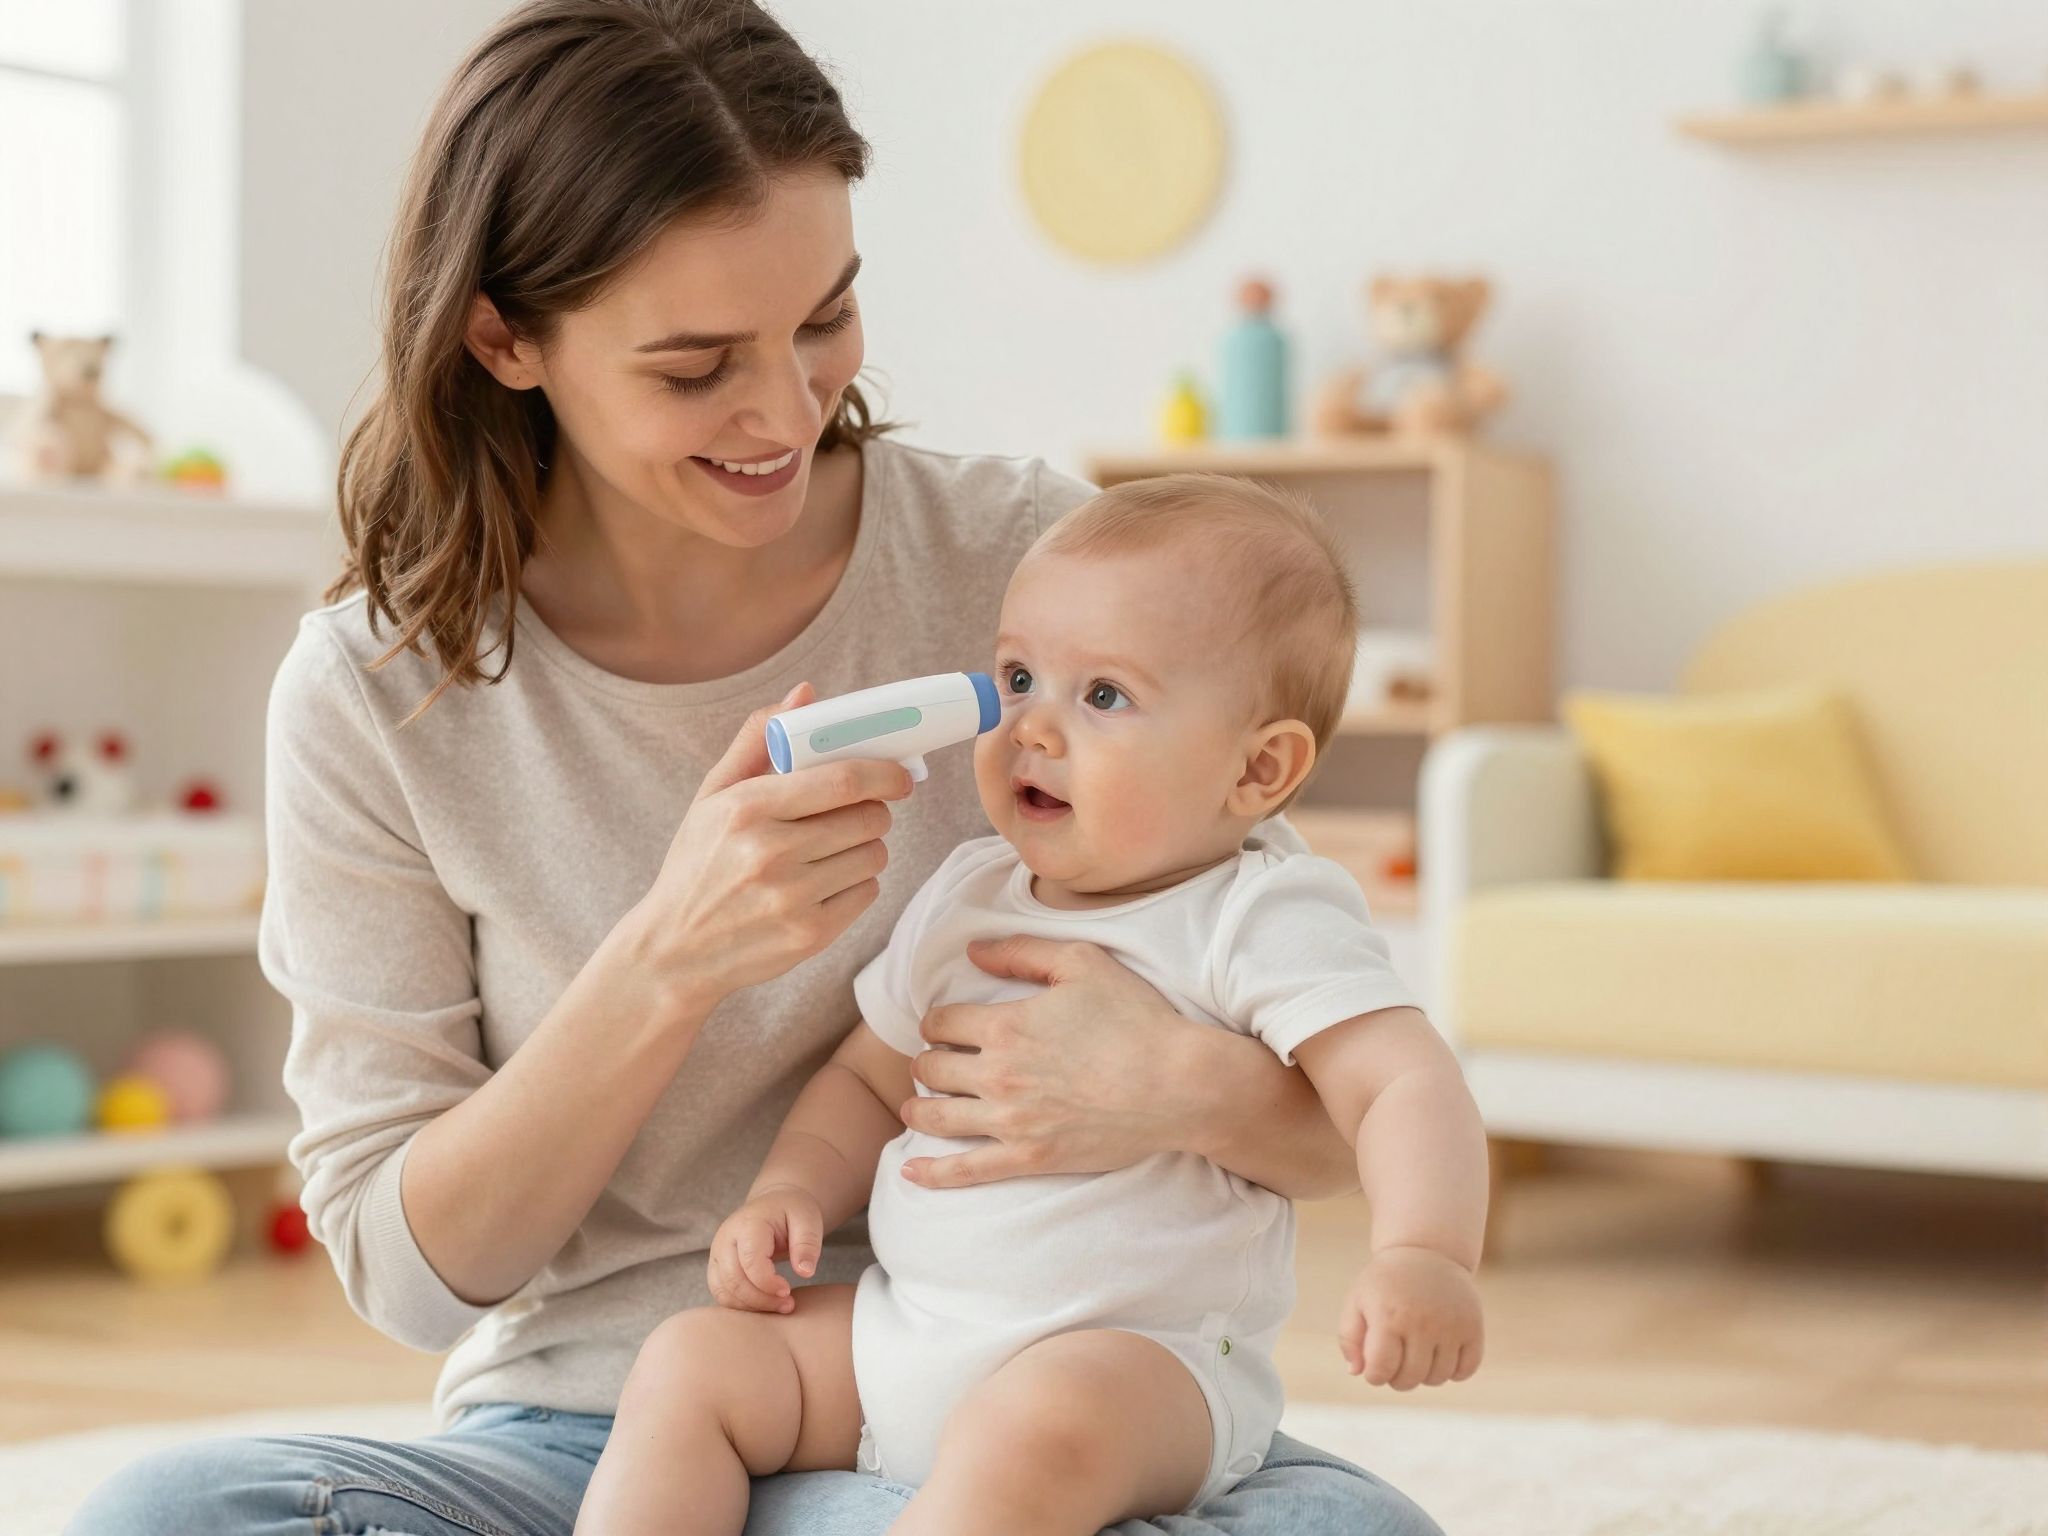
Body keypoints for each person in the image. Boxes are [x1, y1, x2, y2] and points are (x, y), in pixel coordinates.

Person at [66, 4, 1446, 1533]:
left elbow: (1344, 1091)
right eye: (695, 367)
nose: (788, 410)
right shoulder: (378, 693)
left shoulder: (1039, 571)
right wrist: (667, 960)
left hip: (1020, 1418)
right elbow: (411, 1280)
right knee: (164, 1516)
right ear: (505, 339)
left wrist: (1180, 1087)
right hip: (603, 1438)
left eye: (825, 320)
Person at [574, 476, 1488, 1536]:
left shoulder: (1256, 912)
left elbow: (1402, 1082)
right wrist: (790, 1191)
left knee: (1033, 1434)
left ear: (1256, 769)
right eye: (1017, 678)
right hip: (906, 1336)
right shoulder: (968, 888)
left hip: (1133, 1367)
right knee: (691, 1363)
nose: (1030, 728)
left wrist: (1424, 1254)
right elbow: (866, 1077)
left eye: (1103, 696)